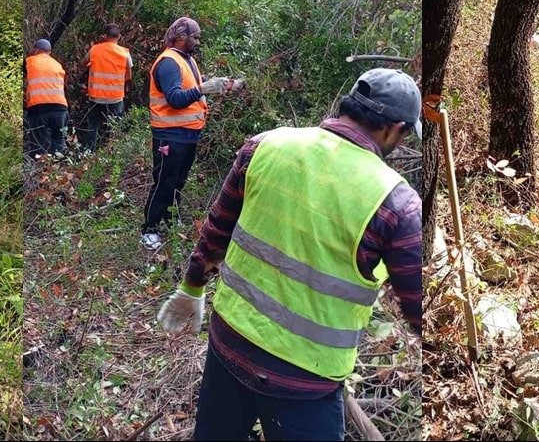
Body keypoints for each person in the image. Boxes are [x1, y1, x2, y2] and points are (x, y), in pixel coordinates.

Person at [155, 68, 424, 441]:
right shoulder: (397, 203)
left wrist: (192, 286)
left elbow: (217, 228)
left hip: (230, 345)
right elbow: (417, 306)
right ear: (394, 129)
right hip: (306, 380)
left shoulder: (267, 144)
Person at [141, 17, 239, 250]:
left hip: (187, 135)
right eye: (194, 37)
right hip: (170, 135)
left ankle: (170, 220)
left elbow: (190, 87)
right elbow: (175, 99)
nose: (197, 41)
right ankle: (149, 230)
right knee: (164, 182)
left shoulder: (187, 61)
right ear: (181, 36)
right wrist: (204, 88)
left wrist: (224, 85)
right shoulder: (168, 63)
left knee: (178, 181)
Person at [83, 23, 133, 153]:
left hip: (95, 96)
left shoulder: (94, 49)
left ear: (104, 36)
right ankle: (113, 154)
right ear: (119, 36)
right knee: (114, 128)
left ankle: (88, 153)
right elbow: (128, 76)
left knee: (92, 127)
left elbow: (84, 64)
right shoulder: (125, 54)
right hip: (115, 98)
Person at [25, 38, 69, 158]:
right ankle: (57, 168)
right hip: (60, 108)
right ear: (49, 52)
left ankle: (36, 169)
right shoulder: (58, 65)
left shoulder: (30, 61)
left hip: (38, 108)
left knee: (37, 143)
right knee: (58, 141)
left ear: (36, 50)